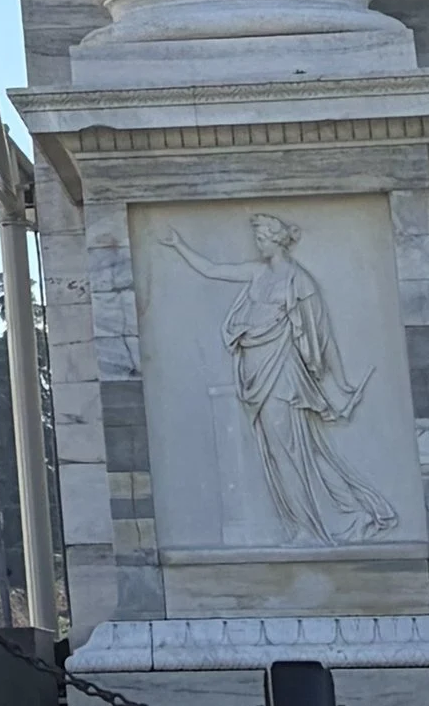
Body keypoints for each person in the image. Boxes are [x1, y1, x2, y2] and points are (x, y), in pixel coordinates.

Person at [162, 216, 400, 543]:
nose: (257, 244)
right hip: (255, 377)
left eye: (261, 238)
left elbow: (323, 335)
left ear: (277, 240)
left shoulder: (299, 282)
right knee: (296, 453)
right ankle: (345, 515)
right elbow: (213, 269)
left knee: (290, 453)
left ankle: (314, 527)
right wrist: (179, 245)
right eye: (256, 238)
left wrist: (341, 382)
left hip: (282, 378)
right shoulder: (258, 273)